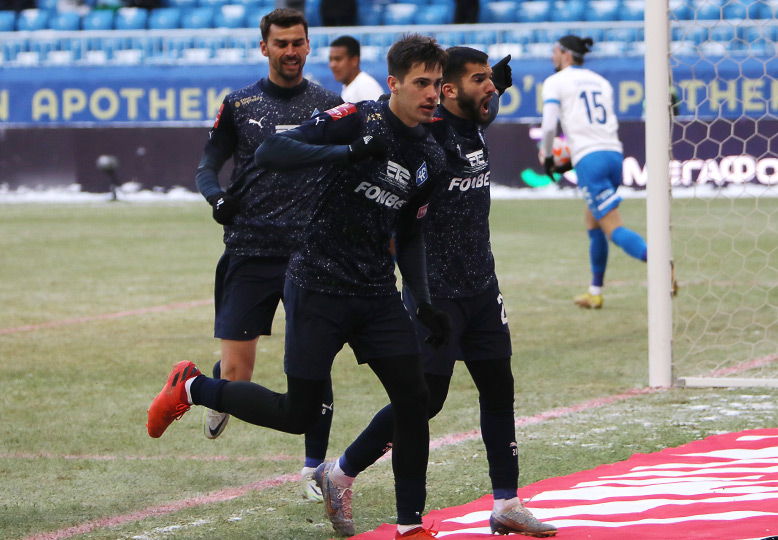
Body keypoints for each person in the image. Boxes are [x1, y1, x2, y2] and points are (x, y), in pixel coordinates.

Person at [149, 33, 451, 540]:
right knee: (298, 414)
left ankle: (409, 526)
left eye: (438, 84)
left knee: (414, 399)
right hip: (317, 284)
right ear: (394, 83)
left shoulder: (431, 156)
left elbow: (412, 233)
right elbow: (271, 151)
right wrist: (348, 152)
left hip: (376, 293)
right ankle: (194, 387)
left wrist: (422, 303)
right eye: (422, 83)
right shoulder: (359, 118)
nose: (432, 94)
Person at [316, 48, 558, 538]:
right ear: (447, 90)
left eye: (490, 79)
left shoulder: (472, 121)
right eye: (479, 79)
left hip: (482, 287)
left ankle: (507, 503)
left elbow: (482, 106)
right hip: (436, 294)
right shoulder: (429, 136)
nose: (490, 88)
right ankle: (340, 472)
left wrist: (493, 86)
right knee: (424, 401)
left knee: (499, 390)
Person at [192, 7, 343, 502]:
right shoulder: (239, 103)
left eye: (298, 42)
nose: (291, 51)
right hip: (250, 250)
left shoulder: (329, 104)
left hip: (310, 255)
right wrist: (217, 198)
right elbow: (208, 166)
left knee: (314, 365)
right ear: (264, 47)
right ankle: (219, 387)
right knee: (240, 373)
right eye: (281, 43)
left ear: (308, 45)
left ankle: (313, 469)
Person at [539, 35, 648, 310]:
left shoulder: (555, 81)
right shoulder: (601, 82)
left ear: (566, 54)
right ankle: (595, 291)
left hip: (590, 159)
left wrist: (548, 157)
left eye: (554, 52)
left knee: (613, 227)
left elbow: (549, 126)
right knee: (593, 221)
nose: (552, 56)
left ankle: (659, 261)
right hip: (613, 155)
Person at [328, 35, 385, 103]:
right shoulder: (352, 85)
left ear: (354, 60)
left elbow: (377, 110)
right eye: (330, 59)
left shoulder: (366, 86)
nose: (332, 65)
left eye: (338, 59)